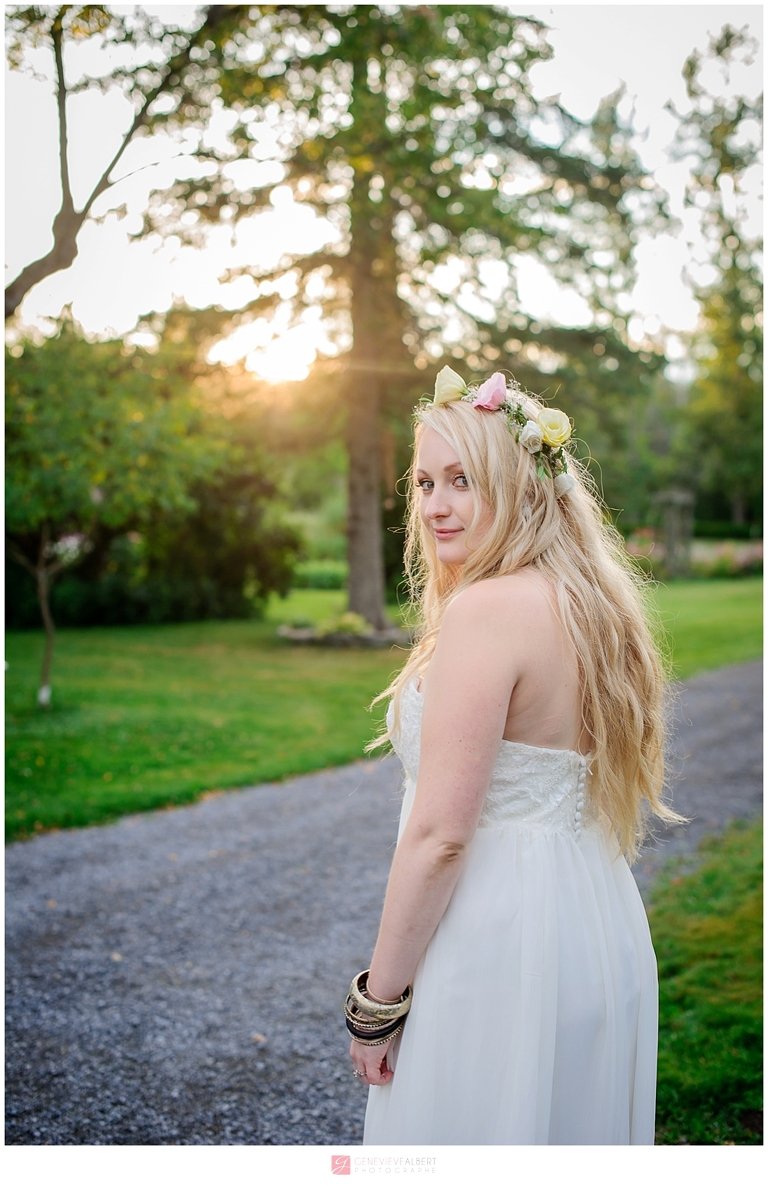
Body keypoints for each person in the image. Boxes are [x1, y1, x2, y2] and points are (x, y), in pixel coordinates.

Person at [345, 367, 679, 1146]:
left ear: (520, 482)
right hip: (591, 923)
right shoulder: (588, 603)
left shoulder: (488, 611)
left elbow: (441, 837)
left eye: (461, 480)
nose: (434, 505)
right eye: (425, 482)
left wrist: (378, 1002)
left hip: (497, 942)